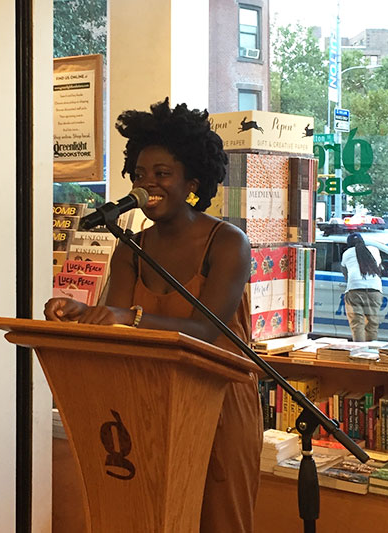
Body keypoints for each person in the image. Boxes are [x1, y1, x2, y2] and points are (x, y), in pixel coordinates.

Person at [44, 98, 262, 532]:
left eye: (162, 174)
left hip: (219, 404)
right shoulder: (132, 248)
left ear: (192, 181)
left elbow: (204, 329)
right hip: (148, 402)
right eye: (140, 175)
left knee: (220, 522)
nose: (148, 184)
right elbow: (116, 324)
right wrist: (80, 314)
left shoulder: (227, 243)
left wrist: (128, 318)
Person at [340, 232, 383, 341]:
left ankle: (359, 353)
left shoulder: (346, 253)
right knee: (372, 324)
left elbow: (345, 273)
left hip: (354, 290)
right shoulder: (374, 250)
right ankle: (372, 352)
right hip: (374, 289)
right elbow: (379, 268)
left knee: (357, 324)